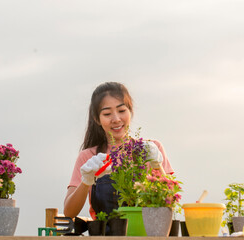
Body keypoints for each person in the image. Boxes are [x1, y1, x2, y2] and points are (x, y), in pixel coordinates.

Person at [64, 82, 174, 221]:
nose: (116, 119)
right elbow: (69, 212)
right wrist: (86, 181)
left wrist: (157, 167)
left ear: (130, 111)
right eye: (107, 113)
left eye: (121, 111)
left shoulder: (151, 150)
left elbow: (171, 201)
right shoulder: (88, 157)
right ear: (97, 119)